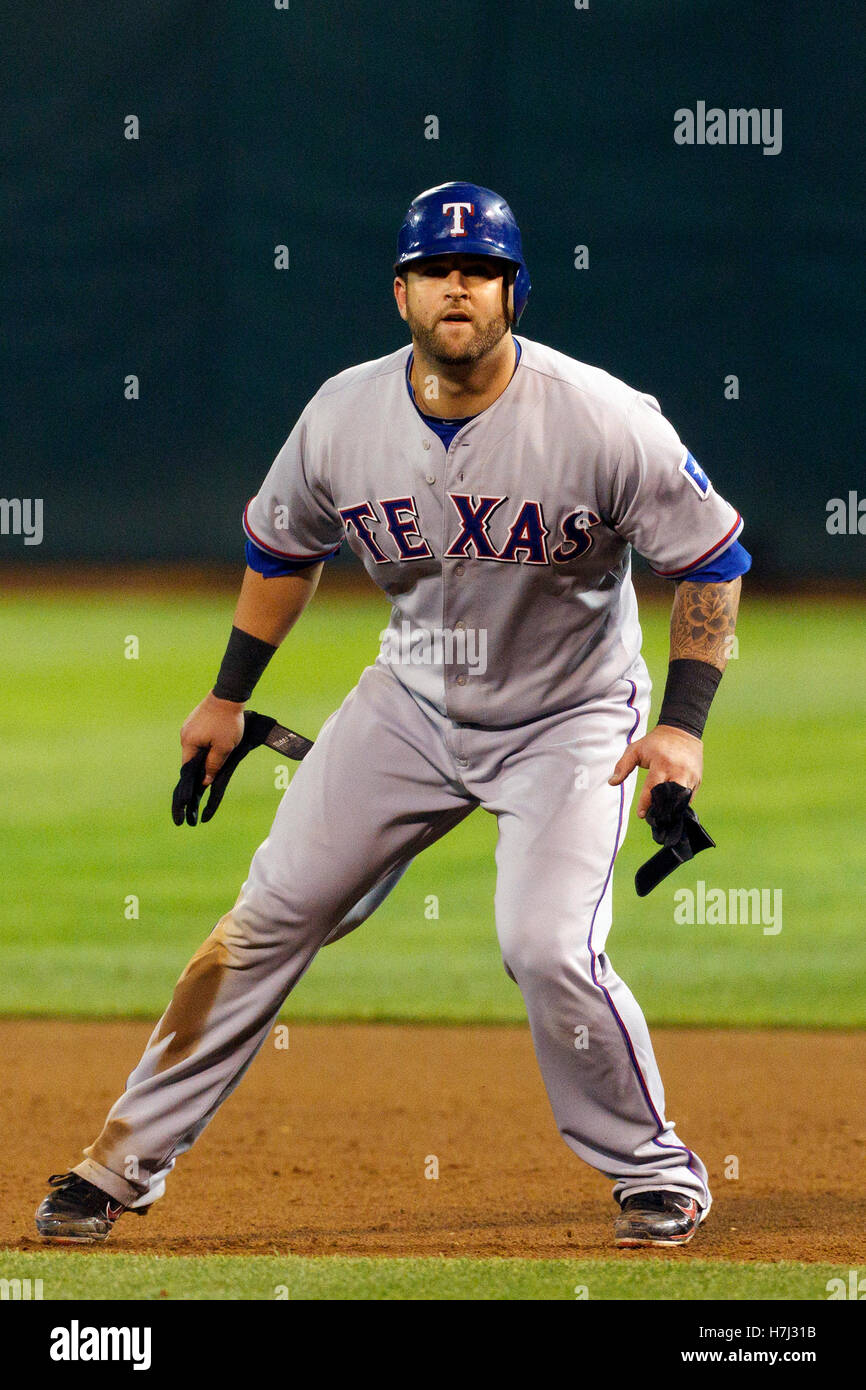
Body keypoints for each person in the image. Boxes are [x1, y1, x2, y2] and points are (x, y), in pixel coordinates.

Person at [37, 181, 749, 1249]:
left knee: (547, 945)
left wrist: (681, 724)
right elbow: (281, 552)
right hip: (409, 705)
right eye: (433, 270)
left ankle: (654, 1171)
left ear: (513, 291)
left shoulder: (601, 417)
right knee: (268, 916)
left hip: (569, 724)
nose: (455, 286)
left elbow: (711, 561)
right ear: (399, 291)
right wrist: (228, 696)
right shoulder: (340, 414)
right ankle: (119, 1165)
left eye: (478, 271)